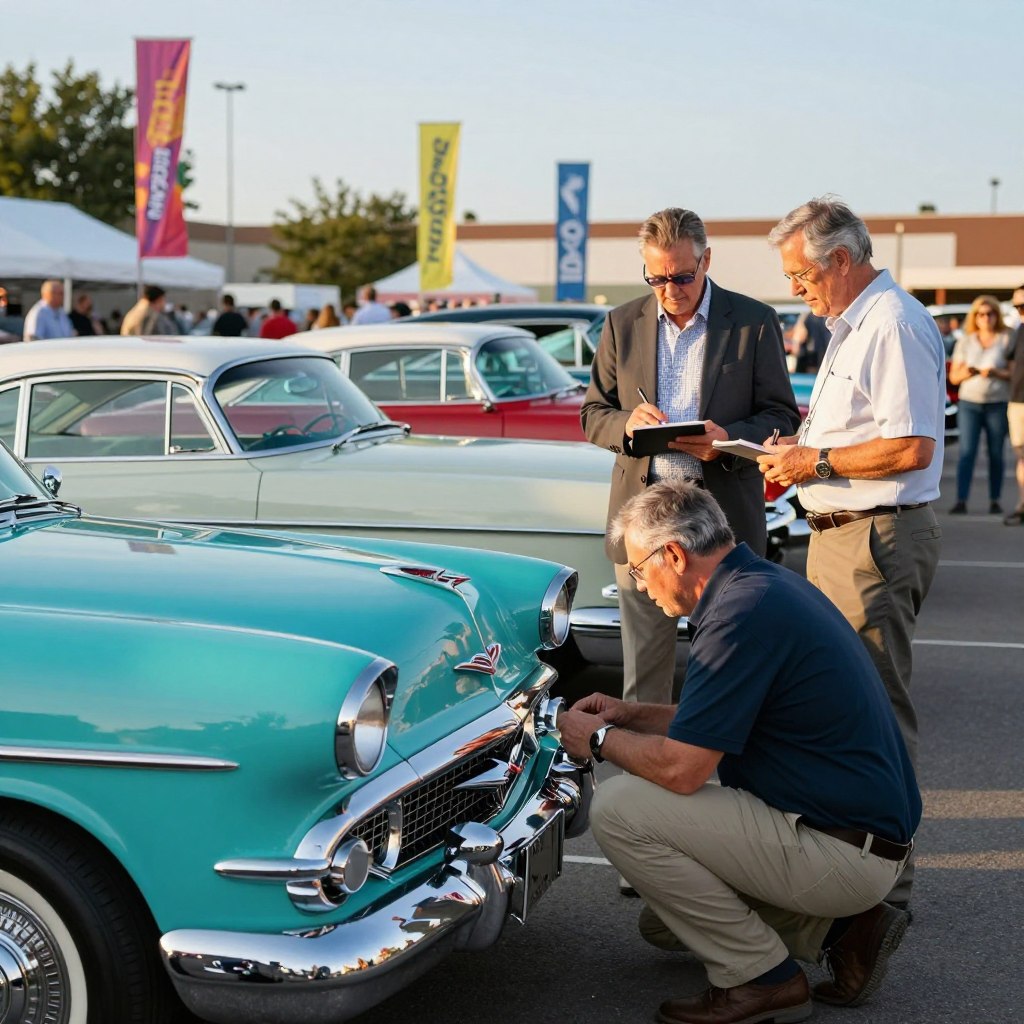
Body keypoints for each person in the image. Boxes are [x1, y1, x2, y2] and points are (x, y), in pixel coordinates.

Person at [559, 482, 919, 1024]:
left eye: (637, 569)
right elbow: (716, 721)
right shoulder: (760, 586)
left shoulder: (738, 615)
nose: (638, 584)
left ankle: (763, 980)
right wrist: (628, 714)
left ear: (673, 555)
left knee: (618, 809)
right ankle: (845, 930)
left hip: (843, 853)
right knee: (663, 923)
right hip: (858, 840)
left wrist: (597, 739)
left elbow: (683, 769)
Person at [760, 197, 944, 913]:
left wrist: (814, 462)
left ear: (840, 259)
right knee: (850, 703)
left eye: (801, 275)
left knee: (876, 712)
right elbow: (864, 436)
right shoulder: (856, 322)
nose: (795, 289)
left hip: (871, 538)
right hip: (846, 535)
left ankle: (884, 897)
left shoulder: (891, 323)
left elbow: (911, 446)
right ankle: (860, 878)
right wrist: (802, 454)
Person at [581, 207, 800, 717]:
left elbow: (781, 415)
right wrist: (627, 425)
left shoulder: (753, 321)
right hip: (645, 522)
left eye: (681, 276)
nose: (670, 290)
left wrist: (727, 439)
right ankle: (646, 764)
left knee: (731, 662)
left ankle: (727, 759)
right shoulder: (622, 323)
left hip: (723, 518)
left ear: (707, 261)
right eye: (656, 278)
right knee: (644, 675)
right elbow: (593, 414)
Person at [947, 295, 1013, 514]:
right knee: (967, 452)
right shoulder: (966, 340)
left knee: (996, 453)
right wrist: (969, 372)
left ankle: (995, 499)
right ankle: (961, 499)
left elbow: (1014, 372)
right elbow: (954, 377)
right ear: (974, 317)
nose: (986, 318)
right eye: (981, 314)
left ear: (997, 315)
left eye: (990, 313)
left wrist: (995, 372)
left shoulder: (1006, 338)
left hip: (997, 402)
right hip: (970, 403)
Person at [1005, 286, 1024, 525]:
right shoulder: (1018, 331)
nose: (1020, 312)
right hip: (1017, 400)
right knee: (1021, 456)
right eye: (1017, 307)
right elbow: (1010, 364)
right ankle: (1022, 505)